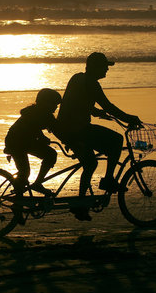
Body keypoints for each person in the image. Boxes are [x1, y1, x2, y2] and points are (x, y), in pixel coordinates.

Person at [57, 52, 141, 221]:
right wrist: (130, 118)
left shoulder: (77, 78)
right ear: (95, 67)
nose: (107, 71)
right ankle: (108, 179)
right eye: (105, 67)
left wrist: (95, 112)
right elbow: (109, 106)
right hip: (78, 129)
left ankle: (80, 205)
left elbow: (74, 102)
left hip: (65, 129)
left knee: (90, 163)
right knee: (117, 141)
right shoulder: (92, 84)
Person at [4, 88, 63, 198]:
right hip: (16, 142)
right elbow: (33, 127)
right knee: (25, 171)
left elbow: (56, 128)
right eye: (54, 104)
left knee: (50, 155)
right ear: (46, 103)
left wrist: (43, 138)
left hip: (25, 142)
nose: (56, 107)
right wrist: (42, 138)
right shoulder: (35, 113)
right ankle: (26, 189)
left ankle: (29, 187)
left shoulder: (44, 114)